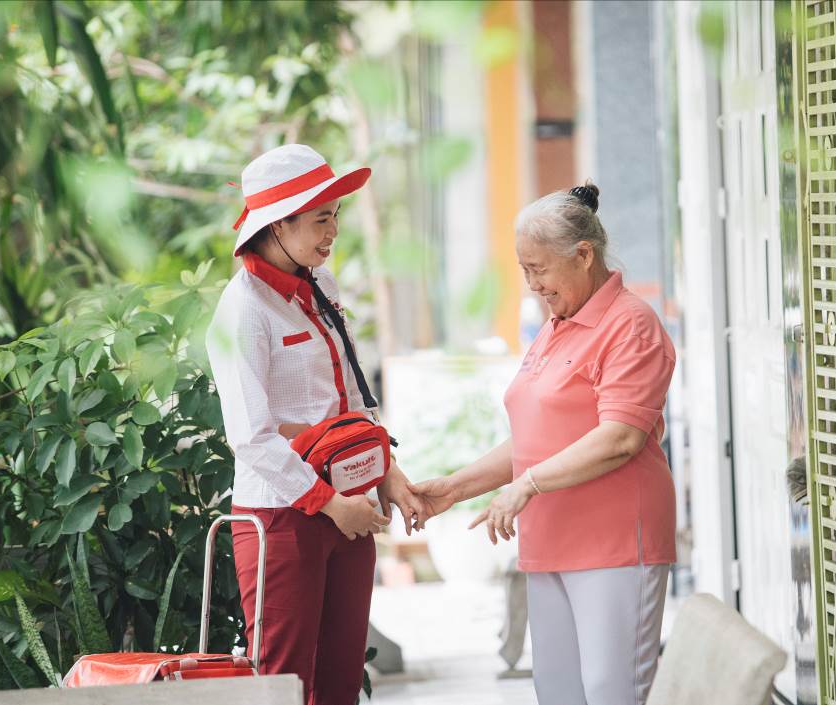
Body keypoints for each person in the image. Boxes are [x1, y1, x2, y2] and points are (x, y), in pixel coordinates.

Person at [411, 182, 676, 705]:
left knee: (611, 693)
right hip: (550, 541)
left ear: (583, 255)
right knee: (558, 693)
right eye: (523, 269)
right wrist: (455, 487)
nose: (531, 284)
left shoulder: (630, 324)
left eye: (539, 269)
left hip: (616, 543)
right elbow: (534, 438)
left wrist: (528, 485)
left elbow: (621, 437)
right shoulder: (557, 325)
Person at [206, 144, 425, 704]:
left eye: (336, 216)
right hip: (283, 517)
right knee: (284, 684)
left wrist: (388, 475)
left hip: (350, 504)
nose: (332, 232)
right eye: (321, 218)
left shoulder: (321, 286)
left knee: (339, 681)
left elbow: (350, 394)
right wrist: (331, 504)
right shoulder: (243, 310)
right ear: (279, 224)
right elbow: (251, 437)